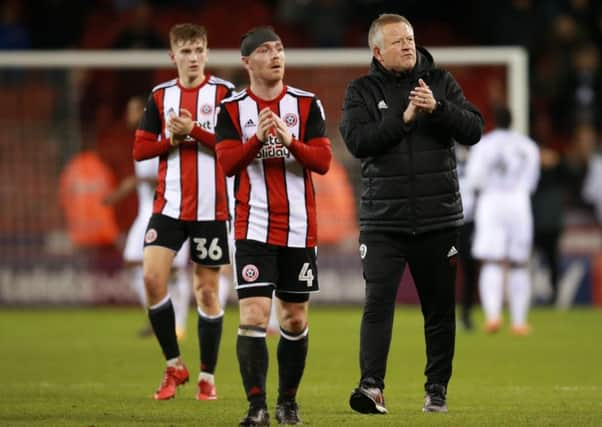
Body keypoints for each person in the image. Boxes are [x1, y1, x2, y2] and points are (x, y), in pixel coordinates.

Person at [339, 14, 484, 414]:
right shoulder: (361, 91)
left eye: (411, 38)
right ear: (377, 51)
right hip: (383, 220)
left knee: (439, 309)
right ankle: (371, 387)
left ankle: (436, 388)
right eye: (398, 41)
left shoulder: (440, 82)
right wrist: (402, 120)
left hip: (439, 218)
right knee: (377, 304)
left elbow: (474, 128)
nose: (408, 46)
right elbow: (358, 142)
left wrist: (437, 110)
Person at [215, 26, 332, 426]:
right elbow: (228, 163)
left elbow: (322, 161)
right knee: (252, 314)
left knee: (295, 318)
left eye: (279, 48)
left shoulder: (306, 104)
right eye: (265, 50)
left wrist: (289, 140)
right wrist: (256, 141)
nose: (275, 55)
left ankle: (287, 403)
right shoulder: (231, 110)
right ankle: (256, 408)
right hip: (252, 226)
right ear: (247, 62)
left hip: (299, 227)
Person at [132, 23, 234, 401]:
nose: (193, 58)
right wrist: (170, 140)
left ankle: (207, 376)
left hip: (211, 211)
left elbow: (235, 146)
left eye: (199, 50)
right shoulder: (160, 96)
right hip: (169, 208)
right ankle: (174, 365)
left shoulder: (224, 94)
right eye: (186, 51)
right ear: (173, 56)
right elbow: (141, 150)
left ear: (206, 53)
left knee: (207, 292)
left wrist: (195, 132)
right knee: (151, 279)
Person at [104, 96, 191, 339]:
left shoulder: (161, 140)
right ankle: (158, 319)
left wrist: (136, 182)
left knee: (174, 270)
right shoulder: (140, 140)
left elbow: (171, 177)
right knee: (133, 262)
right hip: (147, 213)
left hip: (170, 211)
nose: (128, 115)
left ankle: (179, 324)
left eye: (133, 110)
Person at [465, 107, 540, 335]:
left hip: (492, 202)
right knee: (519, 262)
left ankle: (493, 317)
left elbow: (475, 178)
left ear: (493, 121)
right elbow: (532, 181)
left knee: (491, 261)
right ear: (513, 119)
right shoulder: (528, 146)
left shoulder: (484, 144)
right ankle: (518, 322)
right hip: (518, 202)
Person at [455, 143, 479, 331]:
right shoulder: (444, 148)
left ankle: (465, 314)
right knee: (445, 269)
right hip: (448, 219)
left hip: (471, 221)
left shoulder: (479, 153)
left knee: (470, 268)